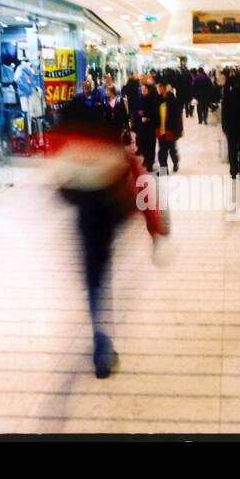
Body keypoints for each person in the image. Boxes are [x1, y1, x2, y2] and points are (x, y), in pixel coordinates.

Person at [52, 98, 166, 378]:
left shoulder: (65, 141)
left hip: (86, 216)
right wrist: (156, 232)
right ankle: (102, 346)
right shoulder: (110, 143)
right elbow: (141, 184)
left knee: (94, 280)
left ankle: (101, 343)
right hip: (108, 214)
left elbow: (61, 183)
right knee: (100, 277)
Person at [154, 78, 183, 173]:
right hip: (161, 130)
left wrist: (179, 130)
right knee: (162, 151)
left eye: (159, 87)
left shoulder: (172, 100)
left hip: (170, 130)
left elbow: (177, 116)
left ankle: (175, 162)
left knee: (172, 151)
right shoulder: (158, 99)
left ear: (164, 88)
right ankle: (163, 170)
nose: (158, 89)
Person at [134, 82, 159, 172]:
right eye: (142, 90)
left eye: (145, 90)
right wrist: (139, 114)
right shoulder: (140, 98)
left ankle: (150, 163)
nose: (143, 91)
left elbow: (155, 112)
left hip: (151, 126)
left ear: (148, 90)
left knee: (151, 145)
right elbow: (136, 110)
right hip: (142, 126)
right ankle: (146, 159)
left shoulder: (153, 99)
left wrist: (146, 115)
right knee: (143, 144)